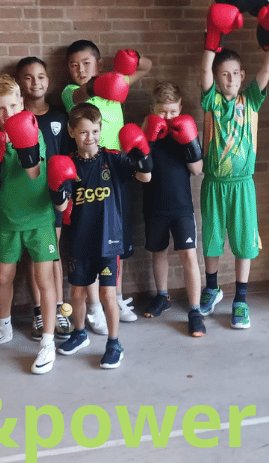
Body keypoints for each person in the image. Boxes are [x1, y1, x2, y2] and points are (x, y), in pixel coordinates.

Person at [198, 2, 269, 329]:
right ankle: (212, 289)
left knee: (244, 243)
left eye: (234, 74)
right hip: (214, 184)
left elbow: (266, 71)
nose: (229, 79)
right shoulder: (211, 101)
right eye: (223, 74)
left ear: (241, 76)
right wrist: (213, 38)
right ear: (217, 79)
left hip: (242, 186)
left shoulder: (250, 100)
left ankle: (240, 300)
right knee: (212, 240)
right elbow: (204, 70)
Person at [50, 103, 152, 369]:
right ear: (72, 132)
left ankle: (114, 343)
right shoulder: (68, 164)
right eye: (84, 132)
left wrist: (142, 153)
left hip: (109, 239)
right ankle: (79, 333)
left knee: (108, 293)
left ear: (100, 130)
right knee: (77, 292)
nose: (90, 137)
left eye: (94, 131)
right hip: (80, 238)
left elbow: (145, 177)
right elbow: (61, 207)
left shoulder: (113, 158)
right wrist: (58, 190)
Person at [61, 40, 152, 327]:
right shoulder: (70, 92)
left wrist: (129, 61)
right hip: (88, 170)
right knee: (89, 240)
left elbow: (147, 67)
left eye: (86, 63)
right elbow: (79, 96)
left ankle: (116, 297)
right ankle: (94, 307)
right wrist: (96, 85)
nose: (80, 69)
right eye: (74, 65)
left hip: (117, 170)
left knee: (116, 239)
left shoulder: (115, 88)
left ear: (99, 65)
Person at [0, 74, 60, 375]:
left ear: (21, 103)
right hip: (9, 220)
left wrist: (19, 140)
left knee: (44, 280)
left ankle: (47, 342)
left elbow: (34, 173)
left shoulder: (33, 132)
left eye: (12, 106)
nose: (6, 113)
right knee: (3, 277)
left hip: (39, 219)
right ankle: (4, 327)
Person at [140, 82, 205, 337]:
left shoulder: (186, 130)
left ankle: (195, 310)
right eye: (162, 111)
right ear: (153, 109)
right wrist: (147, 140)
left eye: (173, 111)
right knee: (158, 253)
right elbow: (139, 173)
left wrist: (189, 142)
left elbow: (197, 171)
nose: (167, 117)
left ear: (180, 108)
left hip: (181, 207)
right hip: (154, 205)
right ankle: (162, 296)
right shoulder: (145, 133)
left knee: (189, 256)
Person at [15, 56, 73, 340]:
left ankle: (59, 310)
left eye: (40, 76)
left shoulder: (60, 116)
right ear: (19, 83)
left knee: (52, 253)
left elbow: (68, 155)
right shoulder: (14, 118)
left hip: (54, 195)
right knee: (33, 256)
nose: (35, 82)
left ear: (48, 80)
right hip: (26, 197)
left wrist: (68, 190)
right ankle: (39, 311)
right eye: (28, 77)